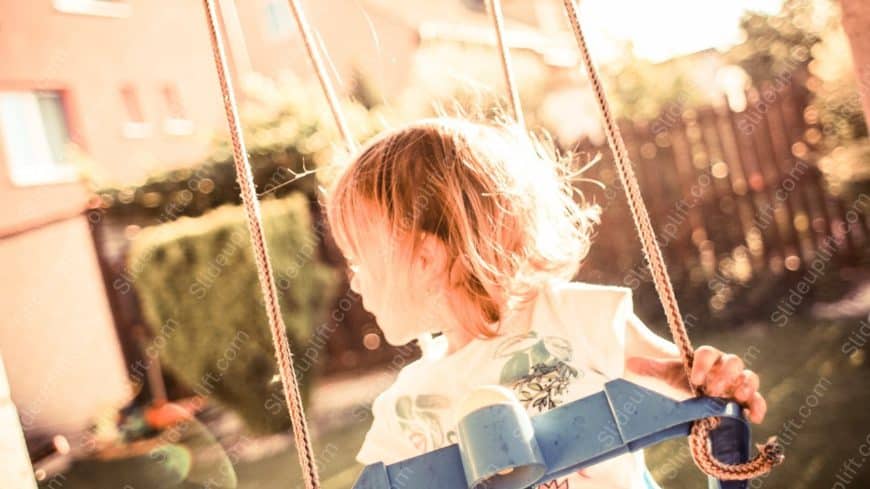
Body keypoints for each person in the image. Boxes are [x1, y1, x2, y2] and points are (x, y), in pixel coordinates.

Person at [324, 117, 766, 488]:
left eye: (357, 260)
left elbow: (684, 383)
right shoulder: (404, 405)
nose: (355, 283)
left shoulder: (569, 317)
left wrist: (717, 383)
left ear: (426, 258)